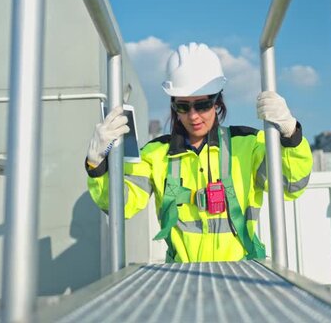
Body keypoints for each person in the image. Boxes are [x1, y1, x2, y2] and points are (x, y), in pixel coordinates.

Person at [85, 42, 312, 262]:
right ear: (174, 106)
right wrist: (97, 165)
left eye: (202, 105)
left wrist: (290, 134)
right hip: (183, 279)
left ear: (217, 102)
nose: (193, 116)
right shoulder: (155, 154)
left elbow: (291, 185)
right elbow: (121, 205)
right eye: (183, 106)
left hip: (242, 275)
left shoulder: (248, 145)